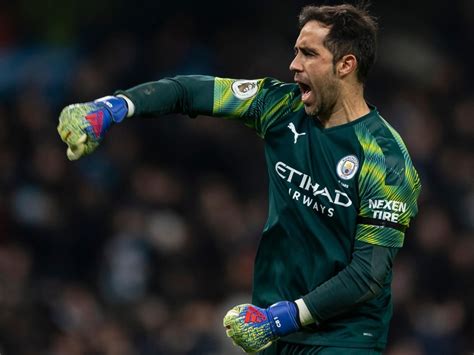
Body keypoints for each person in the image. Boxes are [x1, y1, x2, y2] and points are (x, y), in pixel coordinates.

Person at [57, 4, 421, 354]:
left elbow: (367, 275)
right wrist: (115, 106)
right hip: (271, 326)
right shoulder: (279, 106)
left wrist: (282, 318)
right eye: (295, 51)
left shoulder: (385, 160)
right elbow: (190, 92)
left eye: (309, 54)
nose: (293, 65)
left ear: (345, 65)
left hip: (342, 338)